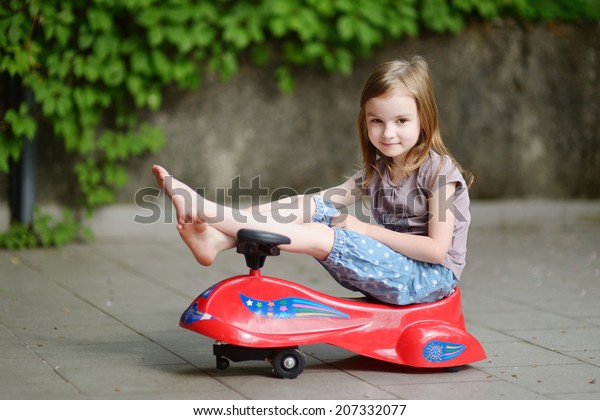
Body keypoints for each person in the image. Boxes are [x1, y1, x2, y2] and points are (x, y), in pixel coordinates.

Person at [152, 56, 472, 306]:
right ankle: (218, 239)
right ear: (365, 121)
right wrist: (313, 208)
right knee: (312, 206)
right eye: (377, 121)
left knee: (322, 234)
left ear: (423, 120)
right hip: (396, 265)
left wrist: (364, 229)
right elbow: (324, 201)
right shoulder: (380, 168)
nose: (388, 132)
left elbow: (435, 250)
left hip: (429, 279)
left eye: (401, 121)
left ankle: (210, 213)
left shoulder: (439, 173)